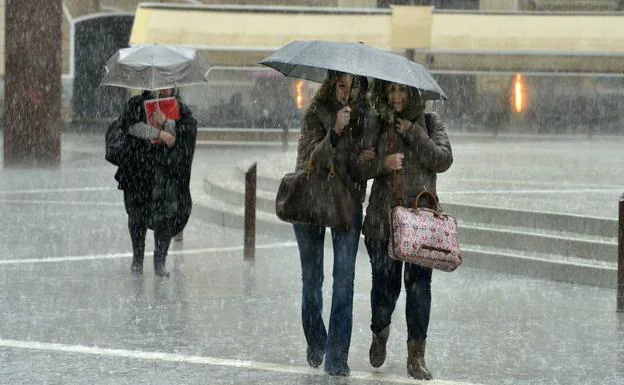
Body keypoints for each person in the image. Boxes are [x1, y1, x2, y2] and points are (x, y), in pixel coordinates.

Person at [359, 81, 453, 380]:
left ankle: (416, 356)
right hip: (382, 222)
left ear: (414, 94)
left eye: (402, 90)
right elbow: (361, 167)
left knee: (418, 288)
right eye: (391, 90)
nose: (396, 96)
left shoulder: (429, 122)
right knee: (384, 288)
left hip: (420, 223)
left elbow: (442, 160)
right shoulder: (377, 121)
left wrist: (413, 132)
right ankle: (380, 331)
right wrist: (383, 164)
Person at [292, 70, 372, 376]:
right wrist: (335, 133)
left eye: (352, 88)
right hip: (311, 201)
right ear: (332, 84)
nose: (345, 93)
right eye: (341, 85)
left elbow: (363, 169)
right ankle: (316, 341)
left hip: (347, 204)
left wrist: (366, 158)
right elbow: (309, 161)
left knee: (344, 282)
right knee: (312, 281)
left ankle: (337, 358)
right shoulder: (315, 112)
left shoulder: (364, 117)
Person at [113, 88, 197, 277]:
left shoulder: (181, 110)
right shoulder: (136, 104)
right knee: (136, 216)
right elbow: (131, 127)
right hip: (139, 172)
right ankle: (138, 259)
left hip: (166, 173)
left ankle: (160, 261)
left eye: (167, 84)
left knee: (165, 216)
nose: (162, 88)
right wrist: (157, 133)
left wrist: (168, 123)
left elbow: (187, 134)